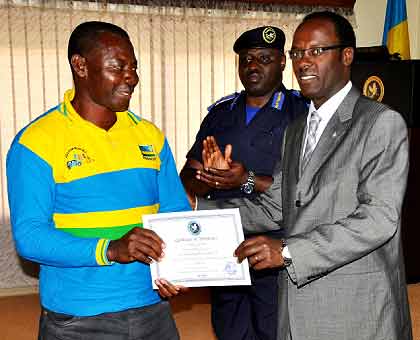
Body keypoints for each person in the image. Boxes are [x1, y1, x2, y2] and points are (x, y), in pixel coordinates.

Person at [230, 11, 412, 340]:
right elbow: (277, 206)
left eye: (316, 51)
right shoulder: (296, 129)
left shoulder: (380, 123)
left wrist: (285, 251)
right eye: (297, 53)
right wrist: (197, 207)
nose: (303, 62)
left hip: (356, 310)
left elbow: (378, 219)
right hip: (296, 308)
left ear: (346, 56)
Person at [6, 21, 190, 340]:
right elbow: (30, 236)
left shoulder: (149, 136)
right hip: (78, 317)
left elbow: (174, 211)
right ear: (80, 66)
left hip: (152, 308)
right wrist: (109, 249)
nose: (131, 77)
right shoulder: (36, 142)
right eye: (118, 67)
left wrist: (181, 264)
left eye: (134, 67)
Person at [180, 26, 308, 340]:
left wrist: (244, 178)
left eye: (264, 58)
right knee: (228, 326)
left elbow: (304, 188)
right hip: (224, 240)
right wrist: (207, 180)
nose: (253, 66)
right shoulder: (221, 114)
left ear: (282, 62)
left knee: (275, 327)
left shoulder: (302, 113)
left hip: (276, 242)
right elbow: (190, 177)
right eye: (246, 59)